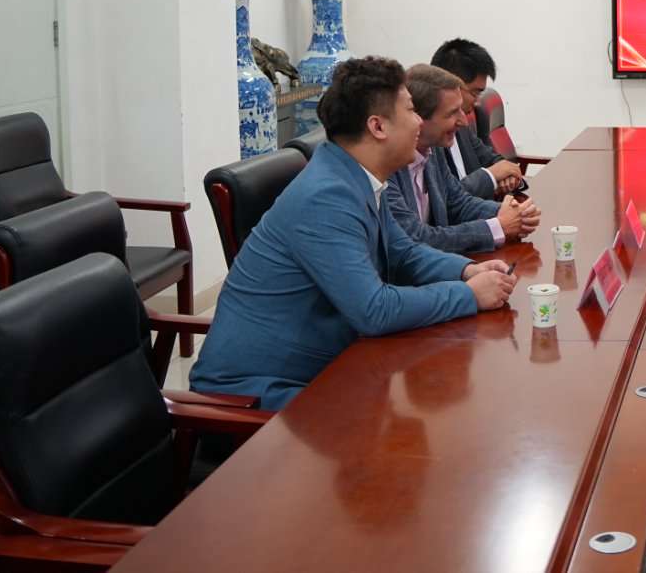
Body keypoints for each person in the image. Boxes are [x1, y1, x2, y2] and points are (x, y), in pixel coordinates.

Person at [190, 57, 517, 409]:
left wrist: (467, 270)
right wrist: (468, 295)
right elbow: (374, 310)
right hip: (256, 395)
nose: (419, 122)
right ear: (377, 126)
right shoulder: (325, 197)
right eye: (411, 110)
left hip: (325, 368)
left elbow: (404, 252)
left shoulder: (355, 176)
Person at [382, 64, 540, 255]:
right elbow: (416, 238)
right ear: (419, 118)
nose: (464, 121)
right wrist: (497, 227)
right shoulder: (385, 166)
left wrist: (511, 212)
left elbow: (457, 202)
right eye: (452, 113)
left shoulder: (433, 149)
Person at [430, 37, 524, 200]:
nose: (478, 101)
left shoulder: (463, 127)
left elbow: (493, 159)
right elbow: (447, 198)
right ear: (449, 85)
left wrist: (508, 174)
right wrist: (491, 175)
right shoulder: (427, 139)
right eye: (475, 92)